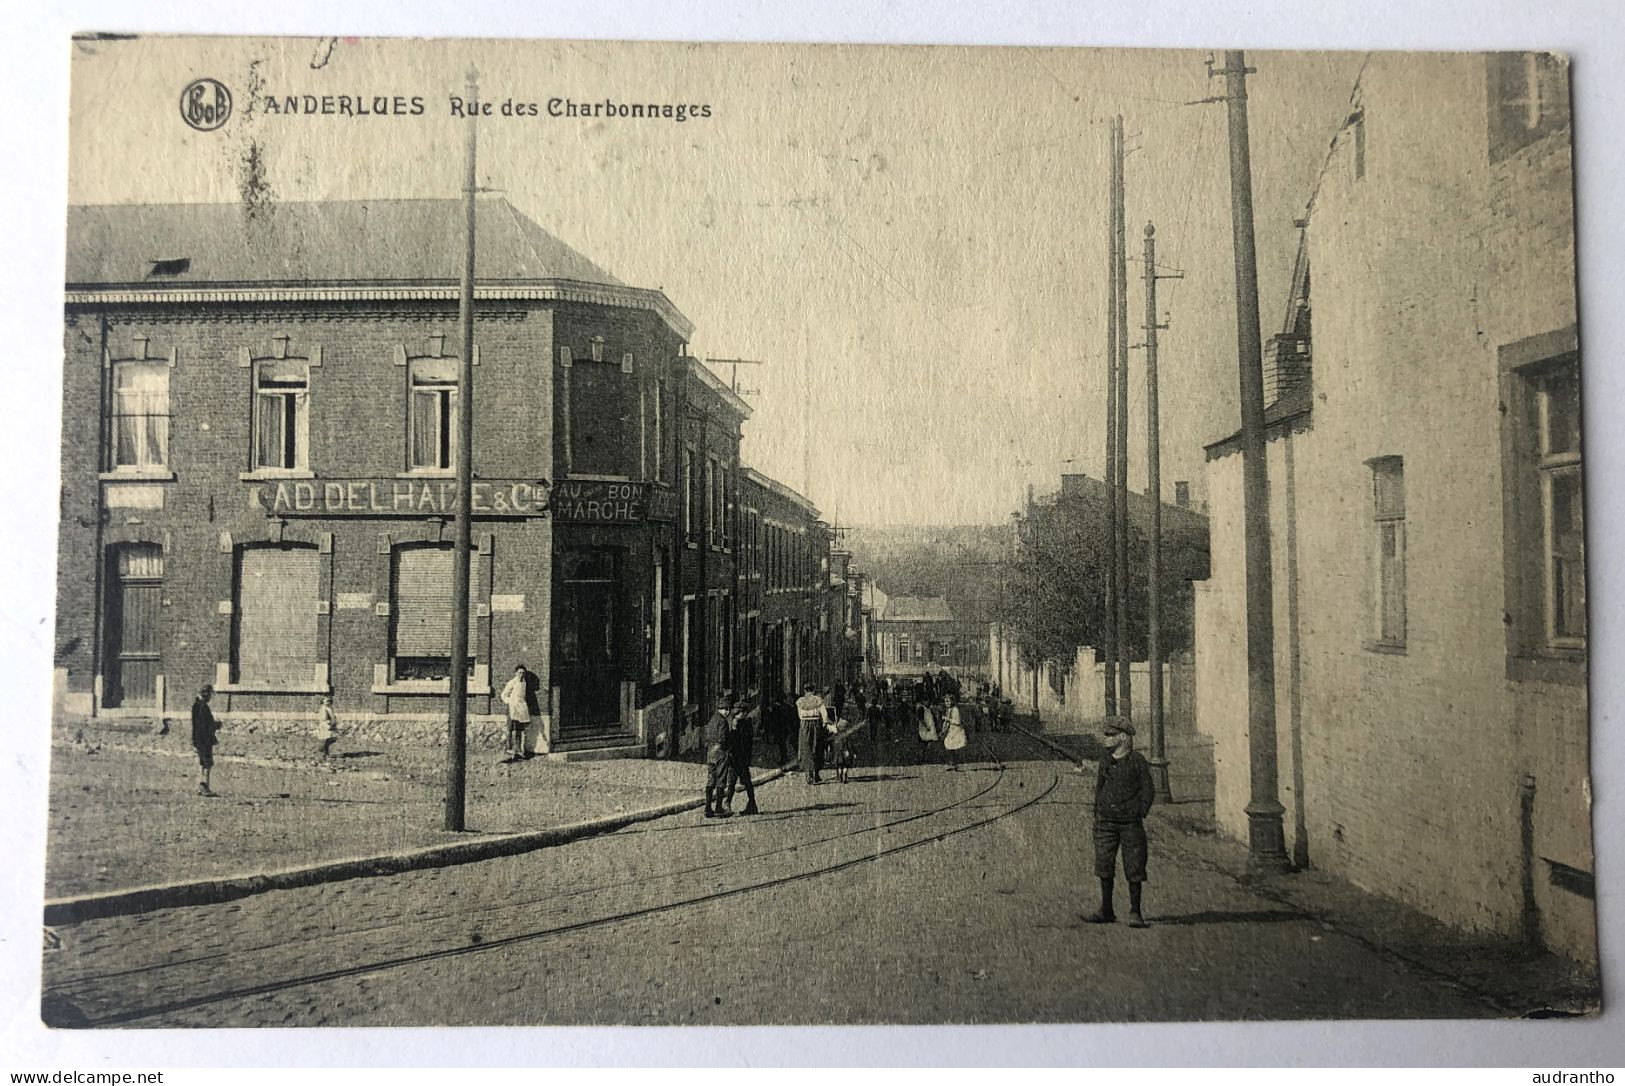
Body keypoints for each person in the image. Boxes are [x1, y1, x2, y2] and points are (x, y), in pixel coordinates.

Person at [1084, 716, 1157, 928]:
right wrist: (1097, 810)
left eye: (1110, 735)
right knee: (1104, 864)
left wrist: (1139, 812)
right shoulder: (1105, 760)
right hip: (1105, 822)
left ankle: (1135, 911)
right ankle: (1106, 909)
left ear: (1123, 737)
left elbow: (1148, 790)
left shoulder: (1137, 761)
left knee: (1134, 865)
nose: (1106, 739)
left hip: (1130, 823)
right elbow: (1100, 787)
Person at [702, 696, 736, 819]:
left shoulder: (712, 720)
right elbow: (723, 739)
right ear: (722, 709)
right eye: (726, 709)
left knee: (710, 779)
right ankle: (718, 808)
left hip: (710, 752)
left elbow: (707, 738)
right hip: (720, 753)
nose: (728, 712)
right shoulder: (722, 722)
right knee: (721, 780)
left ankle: (707, 808)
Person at [726, 701, 761, 815]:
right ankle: (731, 803)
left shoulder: (744, 725)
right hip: (738, 757)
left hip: (740, 757)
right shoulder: (739, 723)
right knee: (737, 781)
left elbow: (740, 742)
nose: (736, 715)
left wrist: (734, 730)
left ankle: (749, 804)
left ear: (745, 713)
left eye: (739, 713)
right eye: (736, 713)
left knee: (739, 781)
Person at [191, 685, 220, 796]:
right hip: (204, 739)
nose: (210, 698)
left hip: (199, 738)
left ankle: (200, 786)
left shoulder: (196, 705)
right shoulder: (202, 706)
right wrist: (216, 725)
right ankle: (204, 786)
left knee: (202, 762)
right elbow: (204, 725)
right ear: (206, 694)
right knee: (207, 762)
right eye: (209, 695)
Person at [499, 665, 532, 763]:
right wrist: (509, 701)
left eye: (523, 673)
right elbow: (503, 694)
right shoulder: (512, 682)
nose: (521, 675)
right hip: (512, 708)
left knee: (519, 729)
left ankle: (518, 750)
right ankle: (508, 749)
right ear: (516, 673)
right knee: (510, 729)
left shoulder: (524, 683)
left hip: (521, 708)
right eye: (519, 673)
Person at [795, 684, 826, 785]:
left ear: (804, 690)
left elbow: (800, 716)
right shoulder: (818, 700)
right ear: (813, 690)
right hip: (816, 724)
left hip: (804, 725)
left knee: (806, 749)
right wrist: (825, 723)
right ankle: (816, 775)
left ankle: (808, 774)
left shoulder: (800, 701)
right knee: (817, 748)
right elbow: (824, 716)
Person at [941, 694, 967, 771]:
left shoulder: (955, 709)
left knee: (951, 746)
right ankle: (953, 763)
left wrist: (947, 719)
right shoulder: (948, 709)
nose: (947, 703)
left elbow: (958, 721)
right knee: (949, 746)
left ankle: (953, 764)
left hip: (956, 730)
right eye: (945, 701)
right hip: (951, 729)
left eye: (948, 701)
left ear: (952, 701)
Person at [315, 694, 339, 760]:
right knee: (325, 739)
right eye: (327, 701)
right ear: (322, 702)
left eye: (329, 701)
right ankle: (325, 753)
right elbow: (320, 717)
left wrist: (332, 724)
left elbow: (333, 717)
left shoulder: (329, 709)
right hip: (323, 725)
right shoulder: (322, 708)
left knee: (331, 738)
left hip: (328, 724)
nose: (328, 702)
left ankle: (324, 750)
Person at [916, 697, 939, 764]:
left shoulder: (929, 709)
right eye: (925, 701)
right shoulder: (921, 708)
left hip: (930, 729)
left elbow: (932, 718)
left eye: (927, 700)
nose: (927, 702)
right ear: (922, 701)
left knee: (928, 743)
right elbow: (920, 719)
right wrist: (926, 725)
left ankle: (923, 757)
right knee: (923, 743)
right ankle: (921, 757)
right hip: (924, 729)